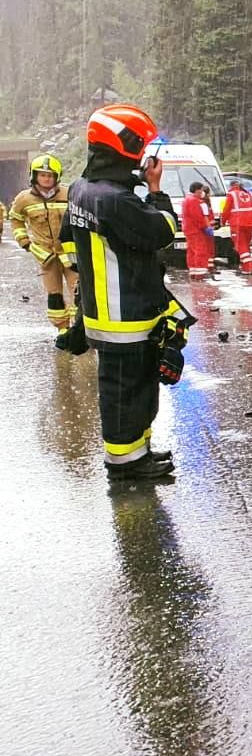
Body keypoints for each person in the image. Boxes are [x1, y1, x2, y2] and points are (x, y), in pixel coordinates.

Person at [61, 103, 184, 483]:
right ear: (124, 145)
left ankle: (139, 452)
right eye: (142, 147)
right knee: (124, 394)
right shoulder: (114, 199)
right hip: (123, 316)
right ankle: (125, 465)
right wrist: (156, 190)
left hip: (112, 309)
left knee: (139, 390)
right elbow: (162, 231)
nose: (147, 156)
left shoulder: (83, 189)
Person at [9, 153, 78, 332]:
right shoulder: (23, 199)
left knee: (78, 291)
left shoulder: (70, 193)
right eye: (42, 175)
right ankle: (62, 330)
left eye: (50, 175)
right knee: (54, 294)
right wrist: (24, 241)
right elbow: (15, 219)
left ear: (57, 176)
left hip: (70, 253)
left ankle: (80, 329)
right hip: (46, 255)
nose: (46, 178)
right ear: (34, 176)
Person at [219, 178, 252, 272]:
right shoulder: (250, 194)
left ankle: (249, 267)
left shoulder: (231, 194)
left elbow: (226, 210)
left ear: (232, 186)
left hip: (238, 224)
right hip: (251, 224)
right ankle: (246, 266)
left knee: (241, 247)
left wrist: (223, 221)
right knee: (246, 246)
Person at [180, 181, 216, 277]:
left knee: (191, 251)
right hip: (196, 230)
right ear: (197, 190)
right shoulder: (194, 201)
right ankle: (199, 274)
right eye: (200, 190)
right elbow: (198, 217)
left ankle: (193, 271)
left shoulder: (187, 199)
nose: (202, 192)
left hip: (189, 229)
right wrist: (205, 227)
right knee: (200, 251)